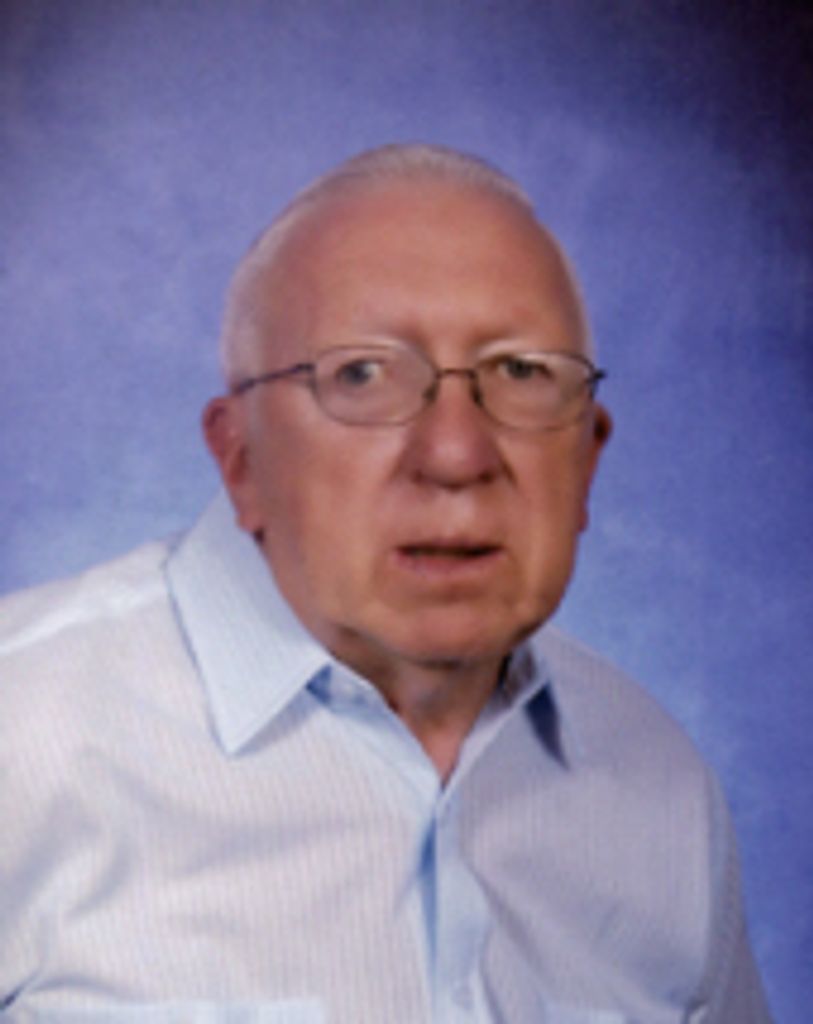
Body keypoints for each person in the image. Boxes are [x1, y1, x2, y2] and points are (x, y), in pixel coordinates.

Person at [0, 144, 772, 1023]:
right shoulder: (20, 731)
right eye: (361, 374)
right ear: (238, 454)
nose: (456, 454)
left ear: (586, 459)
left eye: (521, 373)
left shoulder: (662, 789)